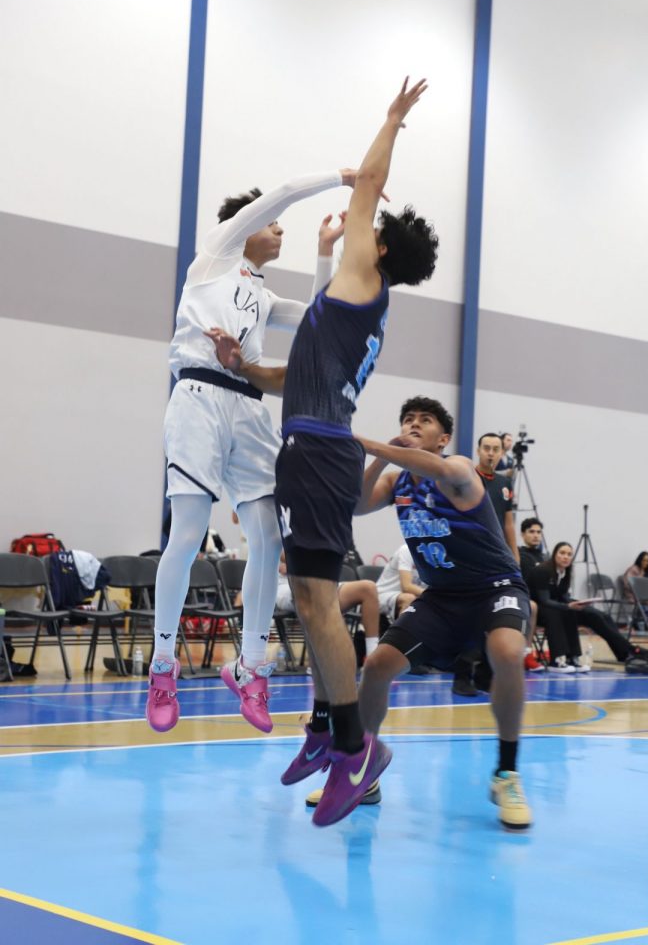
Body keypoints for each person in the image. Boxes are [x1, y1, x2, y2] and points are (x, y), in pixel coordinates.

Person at [275, 78, 439, 827]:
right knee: (313, 600)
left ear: (380, 248)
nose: (359, 226)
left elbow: (368, 181)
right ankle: (324, 730)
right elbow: (297, 371)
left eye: (370, 228)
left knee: (315, 600)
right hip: (314, 443)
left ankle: (353, 747)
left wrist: (393, 120)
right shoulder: (355, 303)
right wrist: (244, 369)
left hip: (319, 449)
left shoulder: (362, 276)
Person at [145, 168, 353, 734]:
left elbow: (321, 317)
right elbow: (281, 192)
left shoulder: (262, 297)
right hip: (198, 398)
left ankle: (251, 666)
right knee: (188, 533)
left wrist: (325, 250)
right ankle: (162, 665)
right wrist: (344, 176)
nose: (280, 230)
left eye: (283, 226)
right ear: (246, 226)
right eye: (273, 224)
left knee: (267, 536)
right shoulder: (214, 257)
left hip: (249, 407)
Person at [304, 396, 533, 829]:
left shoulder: (458, 468)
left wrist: (367, 443)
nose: (413, 424)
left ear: (442, 439)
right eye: (407, 418)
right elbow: (356, 504)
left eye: (424, 421)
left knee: (506, 651)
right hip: (443, 597)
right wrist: (379, 457)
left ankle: (507, 773)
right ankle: (362, 771)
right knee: (377, 666)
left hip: (495, 588)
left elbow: (443, 470)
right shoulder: (398, 483)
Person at [453, 434, 542, 696]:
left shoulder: (505, 483)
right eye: (486, 448)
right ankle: (461, 675)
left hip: (496, 560)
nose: (491, 453)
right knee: (470, 616)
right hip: (469, 558)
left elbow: (508, 524)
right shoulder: (466, 477)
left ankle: (485, 675)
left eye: (496, 449)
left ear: (502, 453)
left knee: (496, 613)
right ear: (478, 450)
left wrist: (514, 557)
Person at [529, 542, 648, 673]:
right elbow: (544, 600)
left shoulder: (566, 571)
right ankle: (633, 651)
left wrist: (581, 604)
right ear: (554, 555)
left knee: (599, 615)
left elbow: (563, 596)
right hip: (540, 611)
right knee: (564, 612)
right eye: (562, 553)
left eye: (569, 554)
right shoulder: (543, 570)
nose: (566, 557)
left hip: (559, 607)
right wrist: (568, 606)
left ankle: (625, 654)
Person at [275, 554, 381, 661]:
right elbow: (289, 553)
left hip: (323, 583)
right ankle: (320, 662)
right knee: (318, 592)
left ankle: (372, 657)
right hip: (285, 585)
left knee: (368, 588)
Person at [375, 542, 426, 624]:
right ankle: (399, 632)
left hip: (410, 597)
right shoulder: (407, 550)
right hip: (381, 595)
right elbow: (406, 587)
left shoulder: (436, 554)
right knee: (409, 598)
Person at [623, 551, 648, 618]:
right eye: (644, 560)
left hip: (645, 595)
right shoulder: (633, 569)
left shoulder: (647, 571)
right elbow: (628, 584)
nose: (646, 563)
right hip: (634, 595)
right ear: (640, 560)